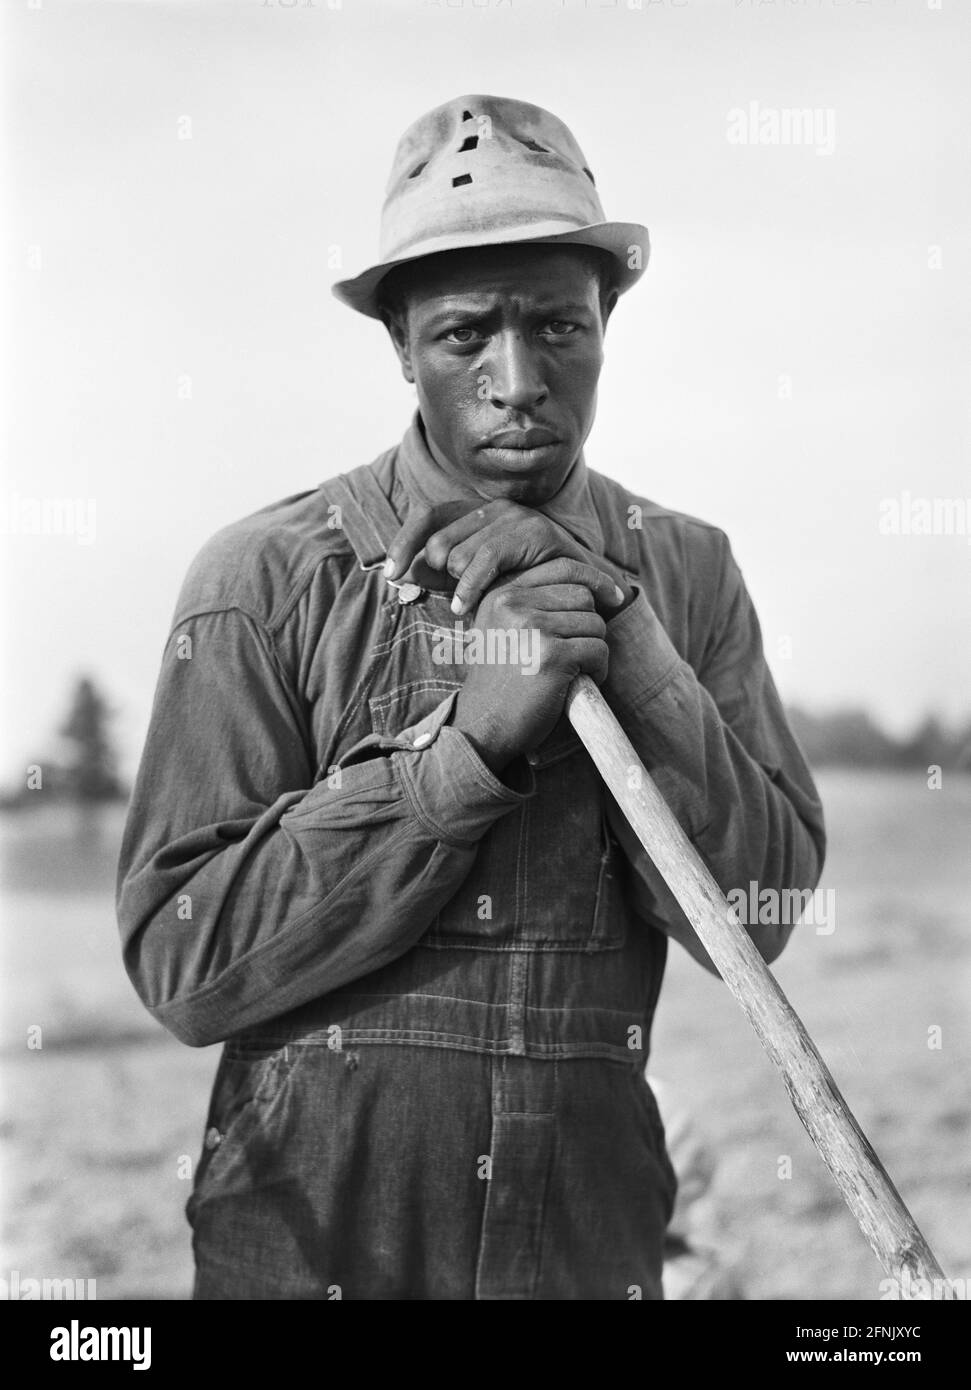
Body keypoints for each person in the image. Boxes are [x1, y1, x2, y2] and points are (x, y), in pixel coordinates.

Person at [116, 94, 825, 1300]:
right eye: (463, 338)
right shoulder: (265, 578)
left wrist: (635, 654)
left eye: (559, 327)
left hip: (585, 1234)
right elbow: (184, 964)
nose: (517, 381)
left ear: (609, 319)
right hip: (318, 1234)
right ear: (398, 343)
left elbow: (754, 918)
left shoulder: (688, 574)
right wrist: (467, 753)